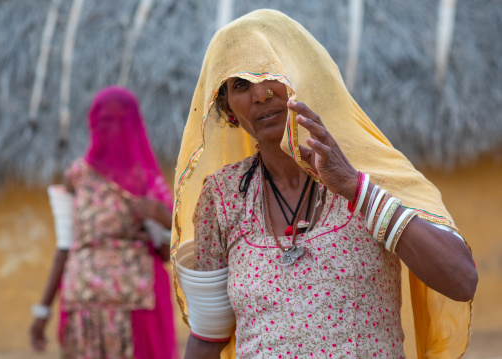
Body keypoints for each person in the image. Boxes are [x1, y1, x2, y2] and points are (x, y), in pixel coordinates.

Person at [172, 9, 478, 359]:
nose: (260, 95)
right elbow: (209, 336)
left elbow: (461, 280)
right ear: (228, 109)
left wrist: (353, 187)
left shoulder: (371, 173)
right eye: (241, 84)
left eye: (270, 73)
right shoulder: (223, 196)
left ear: (304, 75)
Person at [29, 86, 179, 359]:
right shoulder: (77, 176)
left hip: (136, 307)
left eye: (119, 120)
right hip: (83, 308)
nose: (110, 127)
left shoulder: (145, 179)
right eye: (104, 120)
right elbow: (65, 246)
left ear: (133, 125)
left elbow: (169, 253)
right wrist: (42, 311)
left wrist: (166, 220)